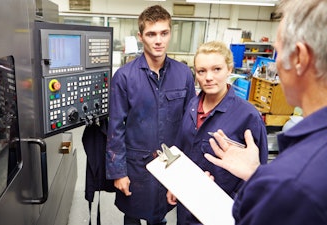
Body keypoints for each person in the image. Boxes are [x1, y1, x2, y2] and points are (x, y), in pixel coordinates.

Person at [205, 0, 327, 224]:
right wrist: (255, 173)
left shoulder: (290, 183)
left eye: (278, 52)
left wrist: (259, 186)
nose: (276, 65)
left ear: (299, 58)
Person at [106, 5, 196, 225]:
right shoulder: (124, 77)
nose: (158, 40)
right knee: (133, 215)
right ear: (140, 36)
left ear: (170, 33)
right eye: (151, 34)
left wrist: (189, 170)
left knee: (161, 214)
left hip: (172, 163)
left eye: (164, 33)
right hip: (137, 166)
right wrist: (119, 172)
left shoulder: (183, 74)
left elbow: (190, 124)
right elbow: (115, 127)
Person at [166, 41, 268, 225]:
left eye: (217, 69)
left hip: (221, 210)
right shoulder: (191, 106)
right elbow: (182, 150)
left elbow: (258, 174)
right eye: (201, 71)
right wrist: (176, 184)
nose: (208, 77)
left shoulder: (248, 116)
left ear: (229, 69)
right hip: (188, 203)